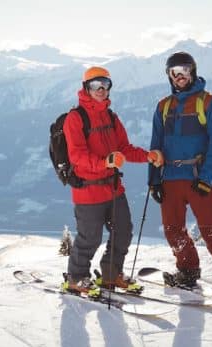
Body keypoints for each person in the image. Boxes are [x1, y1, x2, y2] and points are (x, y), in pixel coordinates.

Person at [148, 52, 212, 301]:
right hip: (170, 177)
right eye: (174, 72)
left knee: (211, 230)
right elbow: (155, 146)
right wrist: (153, 179)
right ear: (169, 76)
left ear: (192, 71)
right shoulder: (163, 106)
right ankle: (187, 270)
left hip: (197, 178)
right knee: (173, 230)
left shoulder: (209, 103)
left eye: (183, 70)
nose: (179, 76)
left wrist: (207, 177)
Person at [62, 66, 164, 296]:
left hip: (114, 189)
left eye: (105, 84)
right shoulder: (75, 118)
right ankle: (76, 278)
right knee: (90, 238)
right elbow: (76, 156)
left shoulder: (111, 117)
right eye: (95, 85)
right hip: (88, 191)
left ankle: (111, 274)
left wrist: (147, 156)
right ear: (86, 88)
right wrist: (105, 162)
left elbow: (124, 148)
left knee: (124, 231)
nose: (101, 89)